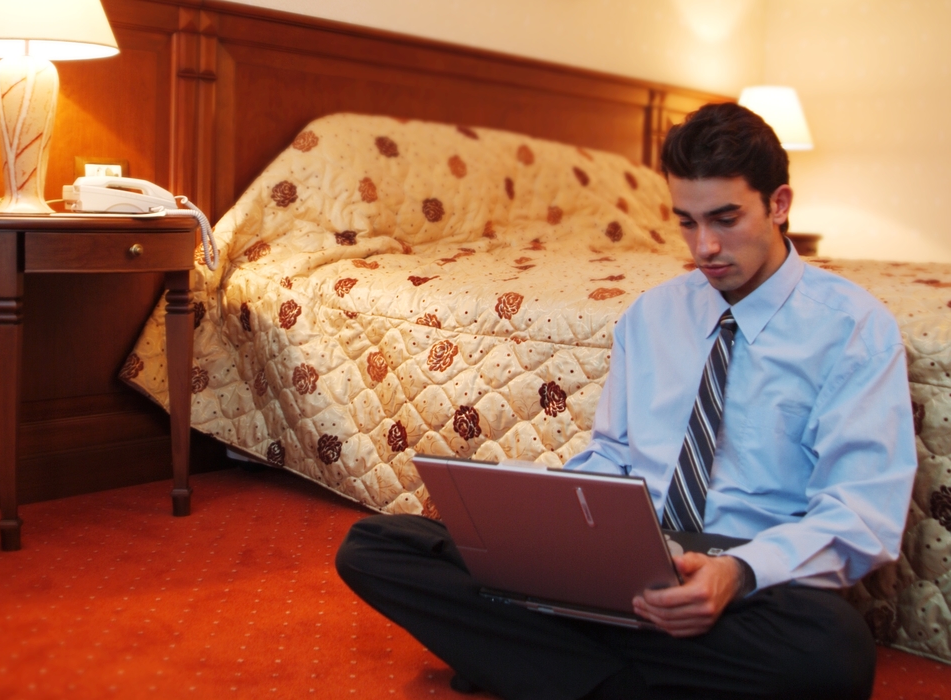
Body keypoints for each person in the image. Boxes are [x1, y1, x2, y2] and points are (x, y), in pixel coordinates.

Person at [335, 102, 917, 700]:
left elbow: (860, 512)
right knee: (377, 546)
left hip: (747, 575)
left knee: (832, 653)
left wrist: (737, 574)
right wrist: (560, 529)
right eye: (687, 222)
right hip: (628, 557)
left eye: (726, 218)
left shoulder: (854, 328)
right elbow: (611, 455)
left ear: (779, 204)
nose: (706, 247)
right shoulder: (652, 315)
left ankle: (536, 664)